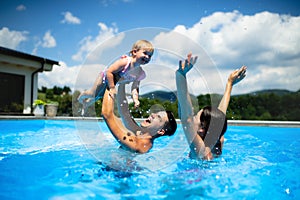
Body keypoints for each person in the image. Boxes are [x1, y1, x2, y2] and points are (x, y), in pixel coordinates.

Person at [176, 53, 247, 160]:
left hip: (193, 176)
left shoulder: (201, 150)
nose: (193, 117)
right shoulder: (217, 141)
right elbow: (220, 116)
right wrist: (229, 84)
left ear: (202, 129)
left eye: (196, 117)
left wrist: (181, 75)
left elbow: (187, 119)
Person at [78, 40, 154, 114]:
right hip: (104, 78)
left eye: (150, 56)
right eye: (145, 53)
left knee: (99, 96)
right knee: (93, 94)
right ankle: (81, 96)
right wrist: (112, 88)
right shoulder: (125, 62)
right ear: (134, 52)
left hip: (112, 83)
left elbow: (135, 87)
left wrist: (136, 99)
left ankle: (86, 103)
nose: (147, 57)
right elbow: (109, 72)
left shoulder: (140, 73)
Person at [101, 82, 177, 153]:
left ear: (161, 131)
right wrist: (122, 83)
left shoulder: (139, 144)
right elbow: (124, 112)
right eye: (156, 113)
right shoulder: (140, 134)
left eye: (158, 117)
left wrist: (111, 83)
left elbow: (107, 114)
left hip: (113, 167)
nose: (153, 114)